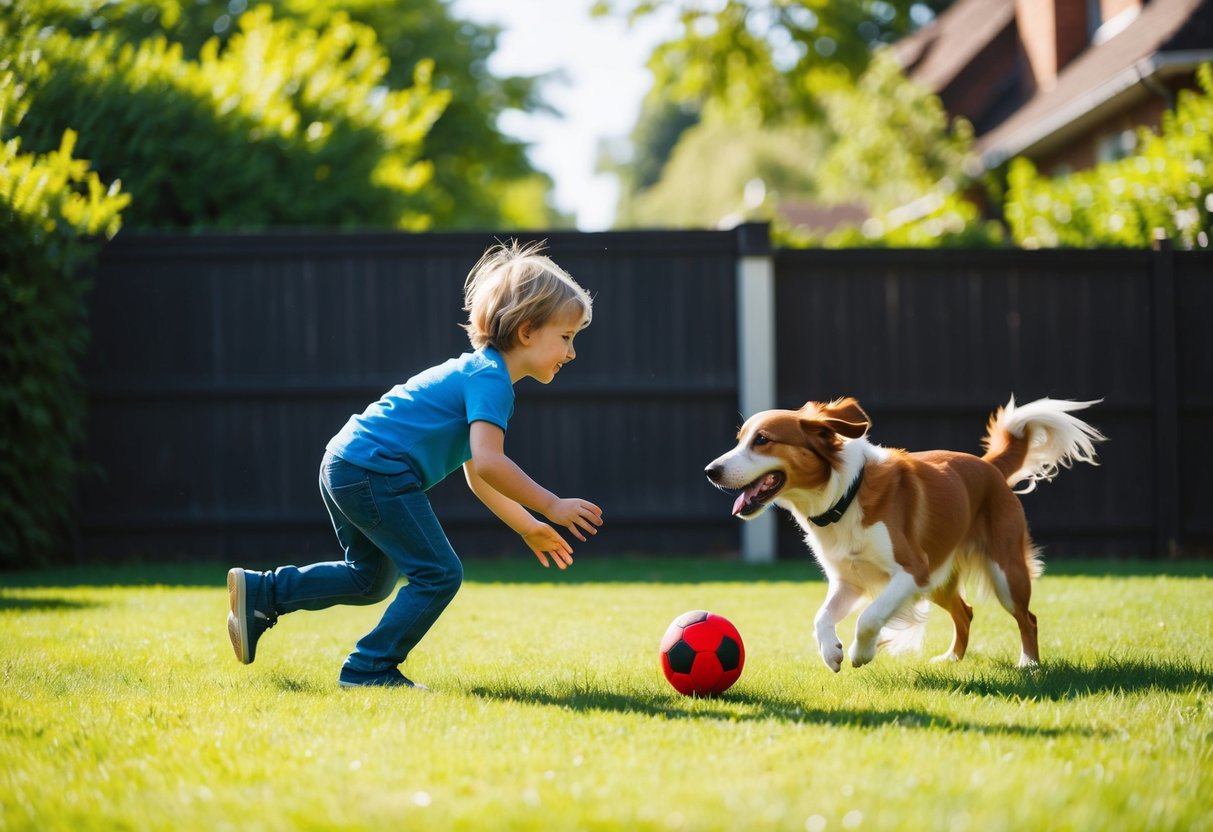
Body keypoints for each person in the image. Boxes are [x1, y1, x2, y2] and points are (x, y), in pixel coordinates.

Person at [226, 240, 604, 689]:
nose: (572, 353)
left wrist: (525, 525)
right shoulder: (490, 380)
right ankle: (369, 667)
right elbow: (489, 464)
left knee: (369, 580)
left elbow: (475, 473)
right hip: (373, 472)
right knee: (439, 573)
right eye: (566, 338)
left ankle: (265, 593)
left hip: (346, 462)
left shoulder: (481, 374)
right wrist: (551, 505)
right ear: (526, 331)